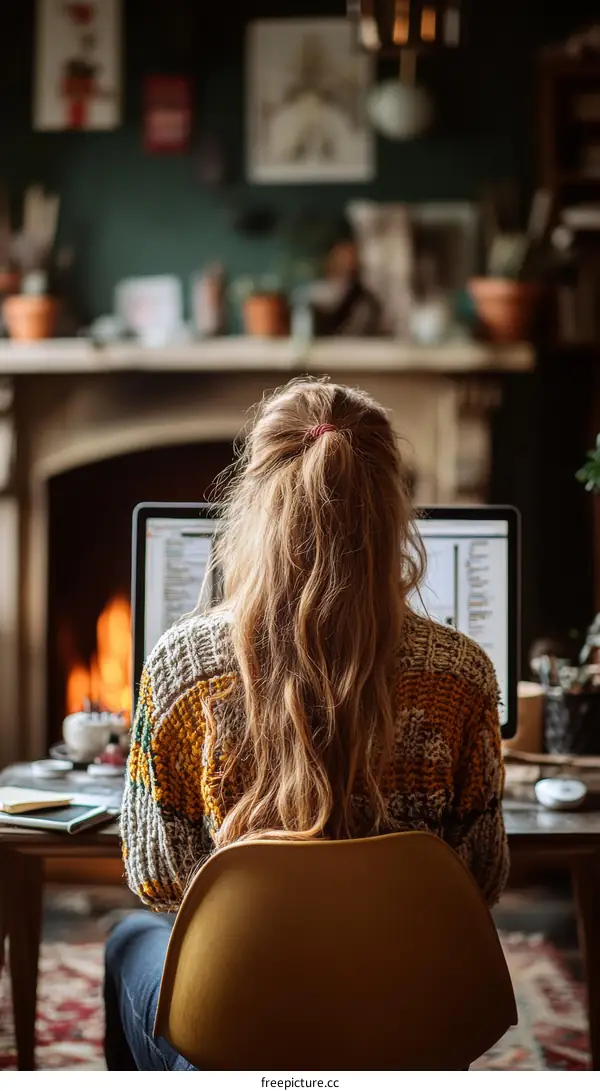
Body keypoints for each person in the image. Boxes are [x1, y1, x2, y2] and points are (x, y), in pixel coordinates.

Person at [105, 378, 509, 1070]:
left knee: (124, 943)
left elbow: (157, 880)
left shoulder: (178, 671)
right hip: (406, 1033)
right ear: (393, 512)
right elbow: (481, 879)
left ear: (253, 505)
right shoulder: (463, 676)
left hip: (233, 1035)